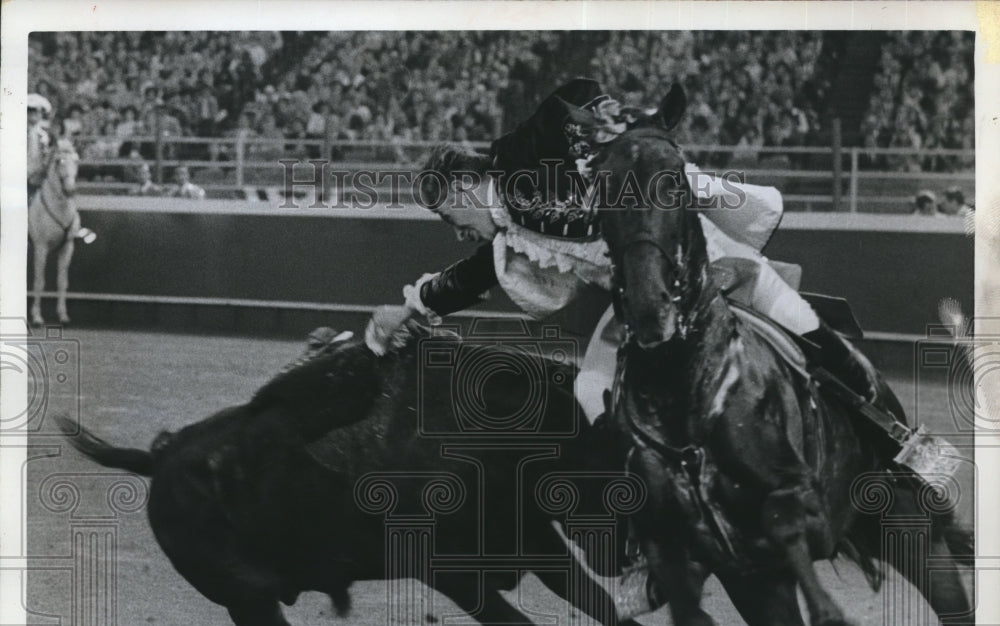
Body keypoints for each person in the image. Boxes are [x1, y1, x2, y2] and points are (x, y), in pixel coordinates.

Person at [366, 78, 879, 422]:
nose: (459, 231)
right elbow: (467, 278)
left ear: (460, 189)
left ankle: (899, 446)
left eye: (451, 217)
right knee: (592, 391)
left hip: (705, 263)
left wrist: (607, 119)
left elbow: (572, 96)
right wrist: (411, 308)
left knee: (811, 332)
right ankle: (640, 525)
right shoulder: (512, 235)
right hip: (639, 303)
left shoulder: (515, 160)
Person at [27, 93, 53, 204]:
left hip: (38, 178)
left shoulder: (44, 135)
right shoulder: (15, 131)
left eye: (37, 112)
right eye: (30, 111)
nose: (34, 115)